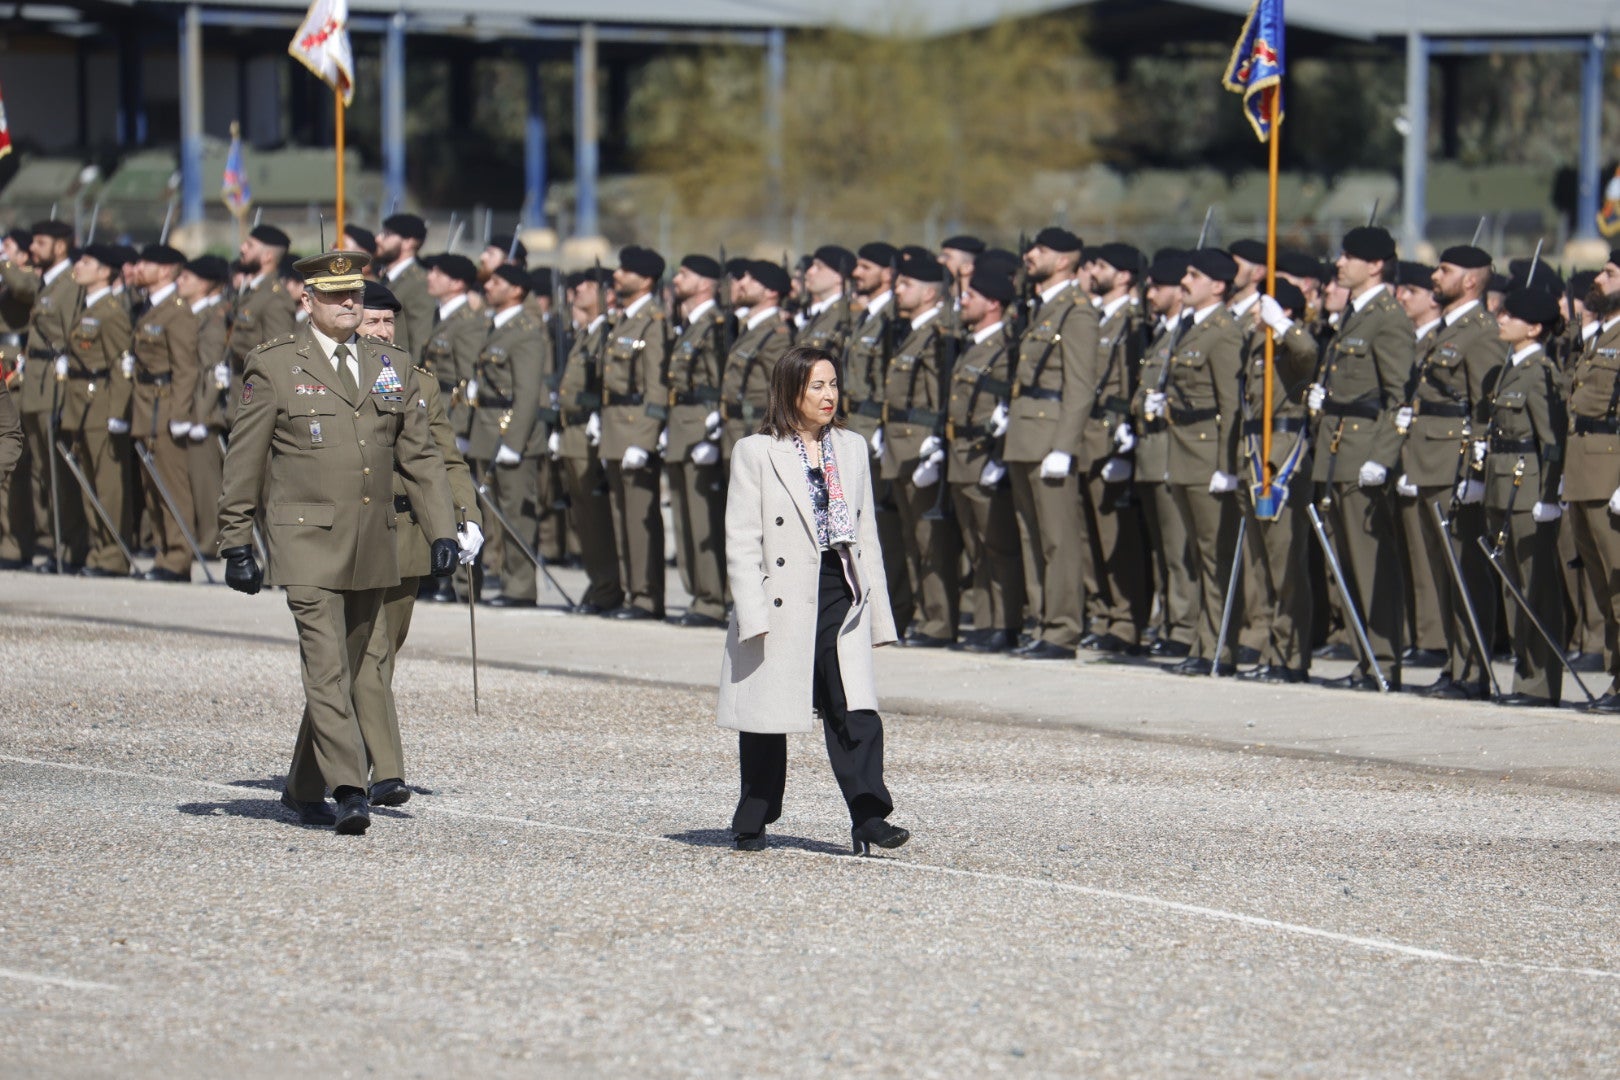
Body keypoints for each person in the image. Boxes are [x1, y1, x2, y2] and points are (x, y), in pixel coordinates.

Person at [217, 249, 458, 835]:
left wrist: (442, 528)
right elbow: (244, 458)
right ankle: (349, 788)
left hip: (371, 541)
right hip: (305, 540)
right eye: (334, 295)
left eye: (354, 294)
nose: (349, 303)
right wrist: (235, 540)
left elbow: (420, 454)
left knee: (349, 666)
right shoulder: (274, 366)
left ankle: (302, 785)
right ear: (308, 301)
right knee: (325, 665)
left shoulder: (390, 364)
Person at [718, 344, 908, 856]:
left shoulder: (851, 446)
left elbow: (865, 531)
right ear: (789, 390)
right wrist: (751, 609)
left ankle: (869, 815)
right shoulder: (755, 452)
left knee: (855, 706)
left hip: (839, 585)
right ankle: (753, 818)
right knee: (766, 713)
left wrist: (877, 606)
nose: (829, 395)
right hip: (779, 592)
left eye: (833, 384)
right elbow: (741, 537)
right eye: (816, 386)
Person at [349, 279, 483, 804]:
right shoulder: (330, 377)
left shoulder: (416, 381)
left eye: (389, 322)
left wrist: (463, 518)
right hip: (354, 531)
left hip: (406, 533)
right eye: (371, 322)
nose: (382, 332)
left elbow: (444, 458)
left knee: (379, 652)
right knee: (369, 653)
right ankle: (385, 771)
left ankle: (313, 771)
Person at [1482, 287, 1567, 707]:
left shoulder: (1540, 372)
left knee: (1537, 590)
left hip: (1528, 485)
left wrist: (1550, 494)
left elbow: (1551, 442)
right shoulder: (1509, 368)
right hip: (1502, 484)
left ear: (1534, 327)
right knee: (1513, 588)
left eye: (1510, 315)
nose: (1500, 317)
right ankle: (1524, 675)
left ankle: (1540, 682)